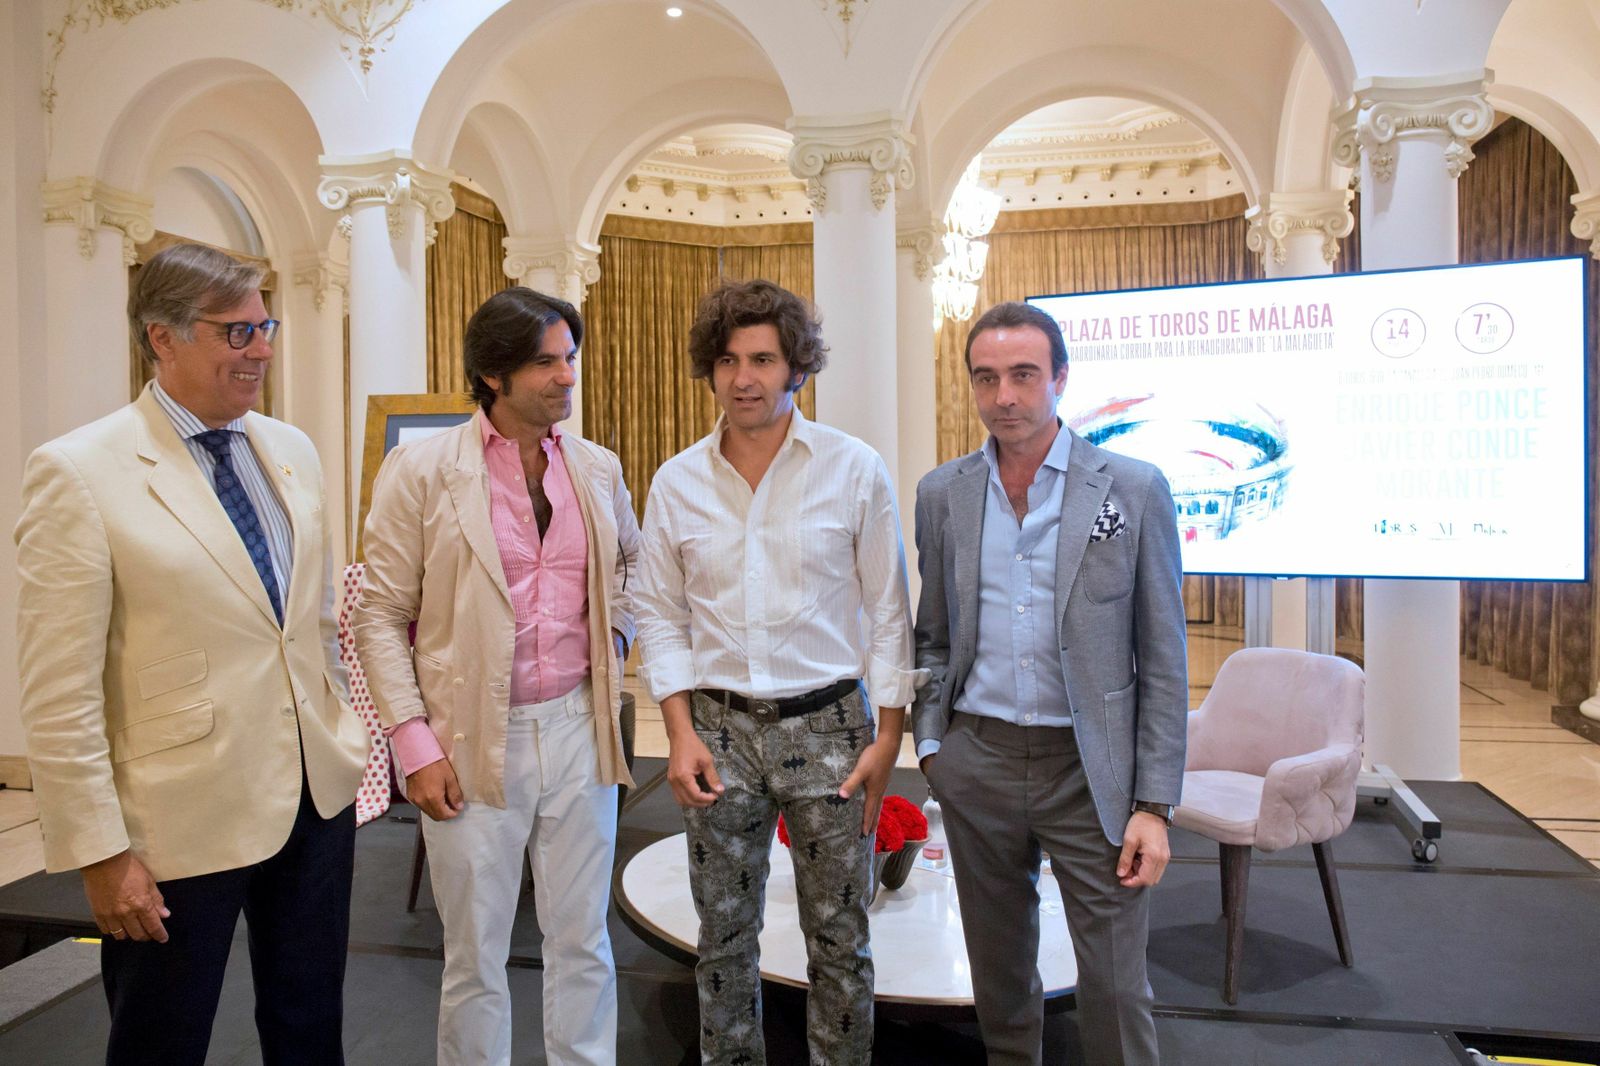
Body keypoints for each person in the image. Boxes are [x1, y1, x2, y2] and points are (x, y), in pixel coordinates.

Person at [14, 242, 369, 1065]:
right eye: (235, 333)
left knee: (310, 1029)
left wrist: (342, 731)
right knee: (160, 1043)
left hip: (314, 802)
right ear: (162, 338)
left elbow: (307, 627)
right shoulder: (79, 471)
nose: (263, 350)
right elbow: (59, 690)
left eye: (264, 326)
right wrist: (101, 852)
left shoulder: (291, 450)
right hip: (175, 825)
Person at [634, 279, 922, 1066]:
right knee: (722, 942)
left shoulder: (853, 468)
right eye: (727, 359)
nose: (743, 378)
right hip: (717, 732)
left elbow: (890, 610)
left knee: (840, 940)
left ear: (799, 366)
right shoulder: (676, 481)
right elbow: (659, 614)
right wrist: (679, 731)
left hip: (831, 728)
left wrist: (889, 735)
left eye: (763, 358)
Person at [354, 287, 639, 1066]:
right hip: (471, 739)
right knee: (474, 955)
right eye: (545, 362)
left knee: (583, 941)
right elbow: (377, 615)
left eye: (570, 358)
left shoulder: (596, 467)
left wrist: (613, 638)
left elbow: (632, 574)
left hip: (581, 730)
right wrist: (415, 746)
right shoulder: (420, 471)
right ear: (492, 374)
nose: (566, 377)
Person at [911, 300, 1187, 1066]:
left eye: (1024, 375)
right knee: (998, 978)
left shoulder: (1131, 489)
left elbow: (1163, 656)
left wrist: (1155, 804)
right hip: (980, 762)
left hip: (1090, 772)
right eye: (987, 377)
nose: (1005, 395)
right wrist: (935, 746)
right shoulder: (944, 494)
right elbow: (932, 633)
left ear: (1060, 378)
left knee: (1114, 988)